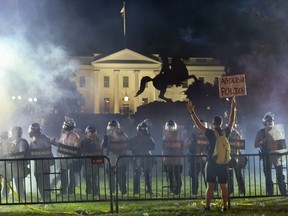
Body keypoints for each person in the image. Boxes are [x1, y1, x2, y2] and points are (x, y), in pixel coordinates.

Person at [186, 97, 236, 212]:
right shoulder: (225, 133)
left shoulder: (210, 133)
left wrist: (192, 112)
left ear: (213, 124)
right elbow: (231, 121)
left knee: (210, 186)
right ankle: (224, 206)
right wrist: (233, 108)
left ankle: (207, 206)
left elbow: (198, 124)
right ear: (221, 123)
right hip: (223, 163)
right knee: (223, 186)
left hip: (212, 162)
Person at [254, 112, 287, 196]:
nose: (270, 122)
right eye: (268, 121)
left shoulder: (277, 131)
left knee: (280, 174)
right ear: (265, 122)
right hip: (267, 156)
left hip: (276, 155)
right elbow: (255, 145)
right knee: (268, 175)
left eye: (271, 120)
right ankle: (270, 192)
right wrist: (261, 142)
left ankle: (283, 191)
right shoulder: (261, 132)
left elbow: (282, 143)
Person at [54, 117, 81, 195]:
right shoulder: (63, 135)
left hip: (71, 158)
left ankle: (71, 191)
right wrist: (54, 143)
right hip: (63, 158)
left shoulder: (76, 136)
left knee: (71, 175)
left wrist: (68, 150)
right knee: (63, 175)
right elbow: (60, 145)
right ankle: (63, 190)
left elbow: (76, 148)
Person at [101, 120, 129, 194]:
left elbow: (126, 145)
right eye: (111, 128)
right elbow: (103, 146)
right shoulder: (107, 136)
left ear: (118, 128)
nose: (112, 130)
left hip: (121, 157)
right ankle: (112, 189)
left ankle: (123, 190)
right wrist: (105, 141)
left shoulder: (122, 135)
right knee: (109, 173)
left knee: (121, 174)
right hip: (111, 157)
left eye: (114, 128)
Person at [128, 119, 155, 194]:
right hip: (138, 157)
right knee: (137, 173)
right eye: (142, 129)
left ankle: (149, 189)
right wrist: (135, 149)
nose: (143, 130)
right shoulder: (134, 139)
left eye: (145, 129)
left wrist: (145, 147)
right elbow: (129, 146)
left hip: (146, 157)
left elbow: (153, 146)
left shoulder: (149, 138)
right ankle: (136, 190)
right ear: (139, 129)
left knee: (147, 173)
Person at [28, 122, 53, 202]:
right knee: (38, 180)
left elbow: (48, 150)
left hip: (44, 163)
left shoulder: (44, 138)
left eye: (32, 129)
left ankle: (47, 198)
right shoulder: (33, 140)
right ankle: (43, 197)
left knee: (45, 180)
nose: (31, 131)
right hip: (37, 163)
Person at [185, 120, 208, 195]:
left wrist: (206, 153)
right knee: (194, 176)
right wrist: (191, 141)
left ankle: (210, 191)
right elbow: (186, 145)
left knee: (207, 176)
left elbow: (210, 146)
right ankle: (194, 191)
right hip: (195, 159)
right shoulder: (193, 135)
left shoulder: (207, 135)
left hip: (205, 159)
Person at [162, 120, 184, 195]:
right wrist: (164, 160)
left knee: (177, 175)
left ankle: (177, 189)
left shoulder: (178, 136)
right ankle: (172, 188)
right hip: (169, 159)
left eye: (171, 127)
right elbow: (163, 149)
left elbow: (181, 148)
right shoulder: (165, 137)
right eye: (169, 127)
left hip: (177, 160)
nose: (170, 128)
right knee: (170, 175)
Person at [8, 126, 30, 201]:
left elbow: (22, 153)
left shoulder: (21, 142)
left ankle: (22, 197)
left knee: (18, 181)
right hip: (16, 165)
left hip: (19, 165)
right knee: (17, 181)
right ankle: (21, 196)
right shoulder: (16, 141)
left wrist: (10, 156)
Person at [80, 125, 102, 196]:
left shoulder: (97, 141)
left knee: (94, 177)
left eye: (94, 132)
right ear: (87, 133)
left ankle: (95, 191)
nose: (93, 133)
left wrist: (100, 162)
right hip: (87, 162)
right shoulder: (84, 141)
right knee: (87, 177)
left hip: (95, 162)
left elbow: (100, 151)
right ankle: (88, 191)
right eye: (91, 132)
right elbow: (83, 152)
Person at [228, 126, 246, 195]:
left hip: (236, 156)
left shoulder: (236, 134)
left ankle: (241, 190)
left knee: (238, 174)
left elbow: (240, 144)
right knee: (229, 175)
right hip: (229, 157)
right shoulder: (226, 133)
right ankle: (230, 190)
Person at [0, 131, 12, 199]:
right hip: (1, 163)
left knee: (8, 179)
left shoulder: (9, 142)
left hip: (7, 164)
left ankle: (5, 195)